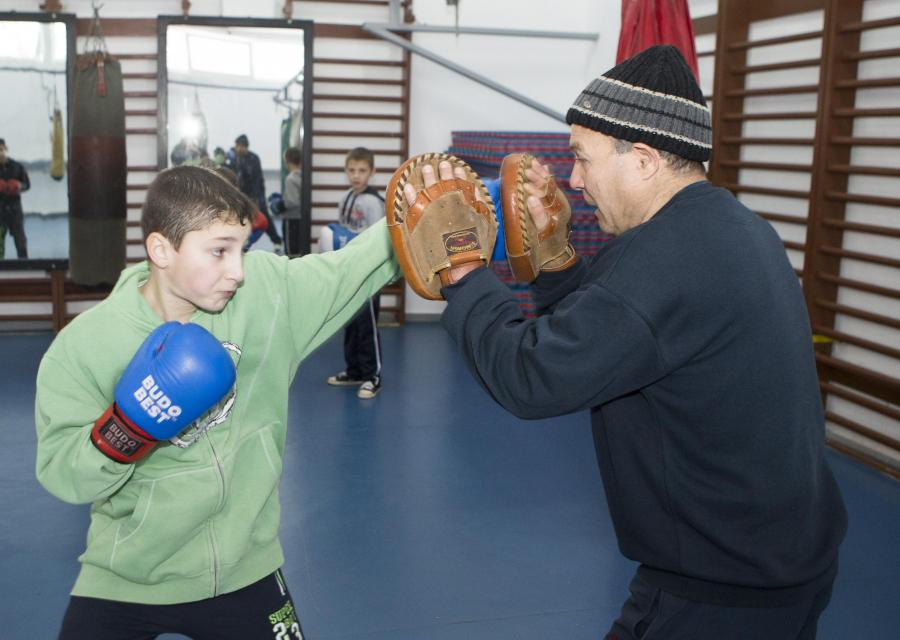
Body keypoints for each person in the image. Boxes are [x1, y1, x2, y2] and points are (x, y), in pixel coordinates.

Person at [400, 45, 847, 639]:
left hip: (719, 592)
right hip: (785, 563)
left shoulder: (664, 258)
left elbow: (530, 377)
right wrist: (556, 262)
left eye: (582, 159)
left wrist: (461, 269)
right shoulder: (732, 227)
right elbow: (624, 334)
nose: (575, 180)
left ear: (642, 159)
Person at [35, 164, 399, 638]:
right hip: (126, 576)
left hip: (243, 569)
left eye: (242, 249)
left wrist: (409, 218)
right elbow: (63, 472)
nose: (238, 271)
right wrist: (128, 428)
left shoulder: (266, 295)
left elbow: (349, 268)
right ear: (161, 250)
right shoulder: (87, 344)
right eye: (219, 251)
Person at [325, 147, 386, 399]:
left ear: (371, 172)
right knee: (350, 322)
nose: (356, 175)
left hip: (368, 272)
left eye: (361, 170)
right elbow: (343, 233)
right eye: (351, 170)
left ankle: (373, 376)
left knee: (367, 326)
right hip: (350, 270)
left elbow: (378, 238)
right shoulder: (345, 198)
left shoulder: (374, 202)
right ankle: (354, 371)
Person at [233, 133, 283, 255]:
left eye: (240, 146)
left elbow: (257, 180)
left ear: (245, 146)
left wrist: (255, 199)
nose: (238, 148)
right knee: (244, 220)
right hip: (243, 196)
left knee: (264, 218)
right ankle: (244, 244)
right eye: (237, 146)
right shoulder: (237, 159)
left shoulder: (254, 159)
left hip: (256, 196)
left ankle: (276, 240)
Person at [0, 137, 31, 259]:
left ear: (5, 149)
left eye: (1, 149)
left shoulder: (17, 167)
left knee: (20, 242)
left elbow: (27, 184)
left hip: (15, 210)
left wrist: (19, 186)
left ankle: (24, 266)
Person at [280, 146, 306, 257]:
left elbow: (292, 202)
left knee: (291, 252)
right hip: (302, 219)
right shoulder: (305, 176)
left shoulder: (290, 179)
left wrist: (280, 204)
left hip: (291, 220)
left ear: (287, 161)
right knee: (300, 250)